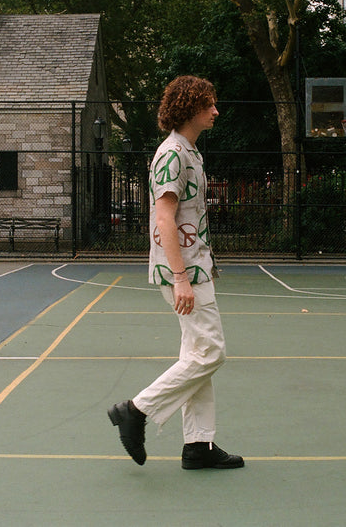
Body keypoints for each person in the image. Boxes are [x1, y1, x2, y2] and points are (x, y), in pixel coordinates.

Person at [108, 75, 244, 470]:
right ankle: (135, 410)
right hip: (185, 271)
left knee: (196, 353)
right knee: (211, 352)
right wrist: (181, 277)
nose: (216, 111)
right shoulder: (173, 154)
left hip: (195, 266)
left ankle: (198, 446)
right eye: (210, 104)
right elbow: (163, 218)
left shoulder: (189, 151)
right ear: (191, 108)